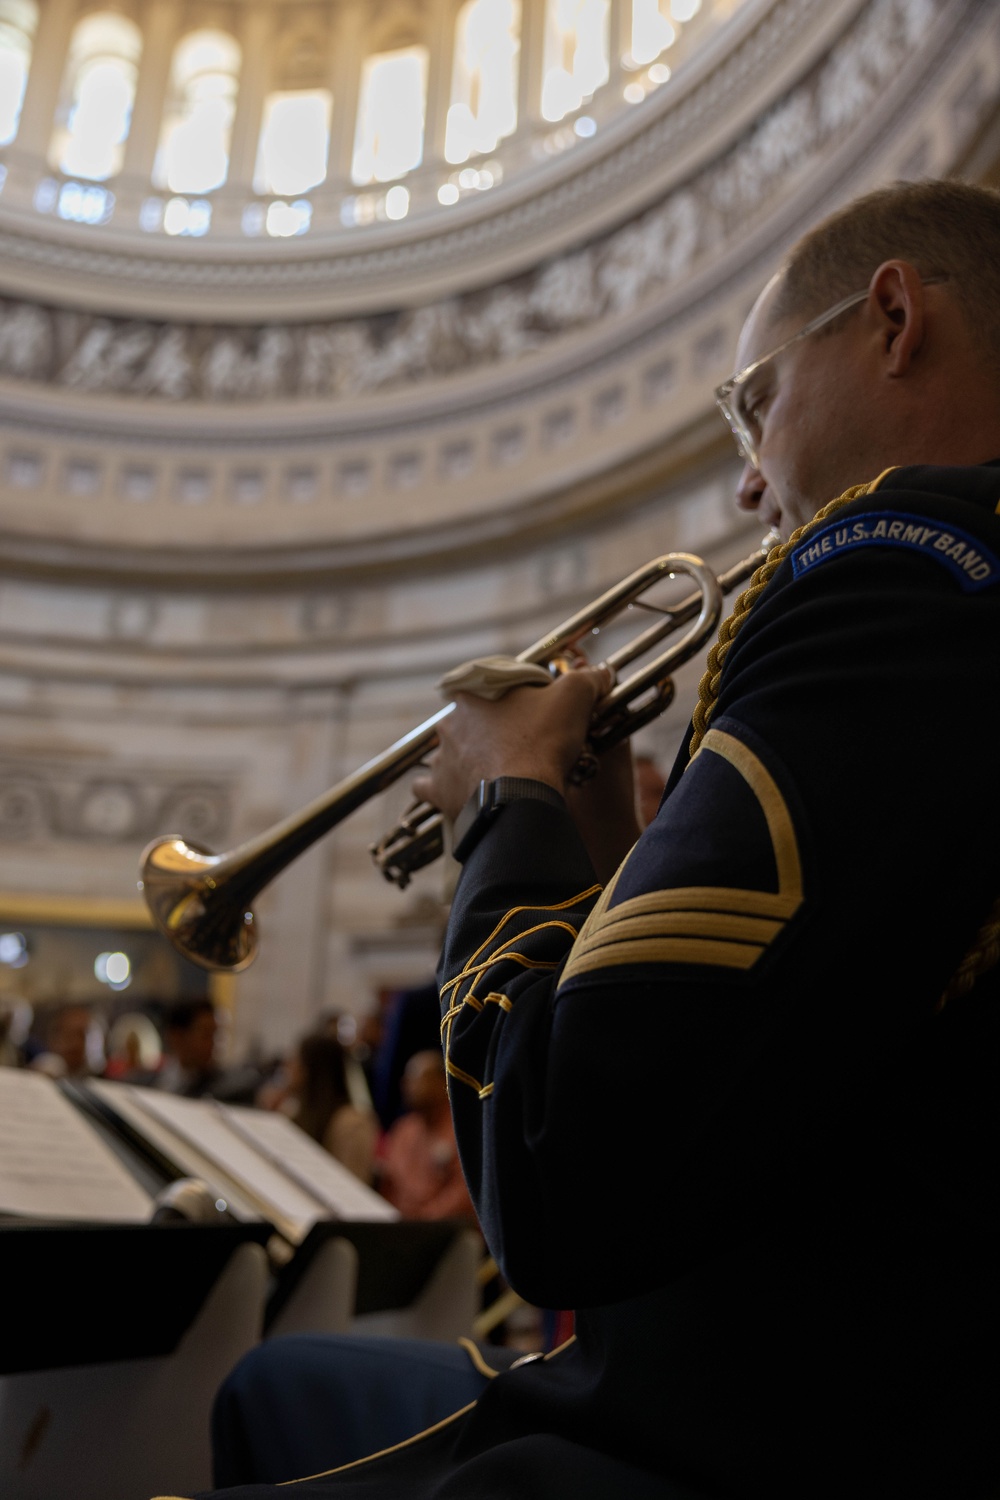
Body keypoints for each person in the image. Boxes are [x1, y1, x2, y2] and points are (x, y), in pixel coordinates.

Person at [186, 178, 1000, 1500]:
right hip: (821, 1380)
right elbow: (774, 1056)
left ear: (893, 318)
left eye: (753, 406)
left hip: (758, 1434)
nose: (746, 484)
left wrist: (507, 805)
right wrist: (619, 858)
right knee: (275, 1384)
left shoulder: (899, 576)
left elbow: (564, 1180)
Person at [377, 1050, 476, 1220]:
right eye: (407, 1078)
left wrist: (419, 1225)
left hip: (438, 1233)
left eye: (417, 1077)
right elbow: (388, 1184)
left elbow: (462, 1197)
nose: (407, 1084)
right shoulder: (403, 1129)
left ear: (441, 1083)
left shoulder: (462, 1135)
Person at [285, 1033, 378, 1184]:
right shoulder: (294, 1112)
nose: (288, 1067)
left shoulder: (353, 1124)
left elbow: (349, 1188)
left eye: (295, 1061)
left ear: (311, 1070)